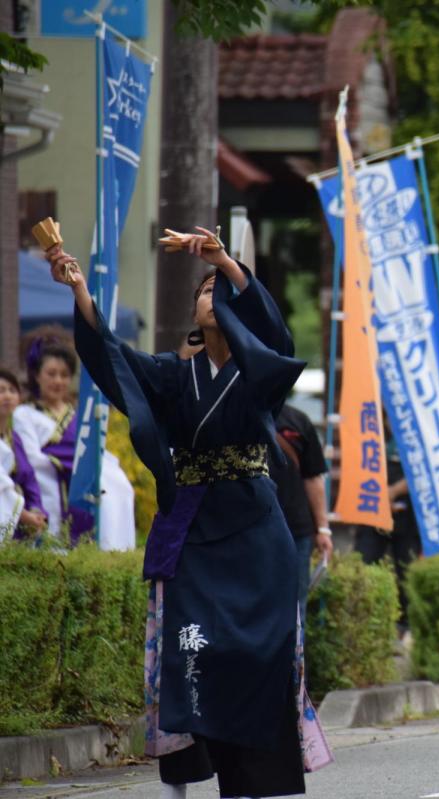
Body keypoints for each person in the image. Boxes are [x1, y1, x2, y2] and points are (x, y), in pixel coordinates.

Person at [48, 228, 331, 798]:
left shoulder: (259, 377)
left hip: (257, 529)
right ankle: (181, 778)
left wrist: (224, 260)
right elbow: (112, 361)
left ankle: (254, 782)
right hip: (195, 526)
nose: (212, 295)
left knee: (260, 655)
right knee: (193, 650)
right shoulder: (176, 377)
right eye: (205, 289)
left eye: (220, 289)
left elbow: (274, 333)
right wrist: (79, 292)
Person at [12, 330, 137, 549]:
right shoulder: (25, 414)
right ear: (37, 375)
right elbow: (30, 458)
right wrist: (75, 466)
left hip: (81, 493)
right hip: (48, 492)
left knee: (118, 487)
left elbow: (95, 452)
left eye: (64, 374)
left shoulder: (79, 415)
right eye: (51, 374)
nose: (58, 381)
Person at [269, 402, 334, 601]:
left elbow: (313, 476)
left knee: (295, 606)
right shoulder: (236, 413)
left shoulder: (299, 420)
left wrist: (323, 529)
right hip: (246, 530)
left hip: (295, 530)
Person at [355, 450, 423, 627]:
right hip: (372, 505)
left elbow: (422, 470)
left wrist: (392, 492)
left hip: (407, 513)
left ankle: (406, 625)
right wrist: (381, 496)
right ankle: (364, 619)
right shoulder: (371, 426)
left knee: (406, 569)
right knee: (364, 564)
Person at [0, 367, 48, 541]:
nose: (7, 396)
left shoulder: (15, 439)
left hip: (18, 521)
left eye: (12, 390)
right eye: (1, 391)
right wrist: (24, 515)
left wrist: (36, 509)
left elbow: (29, 477)